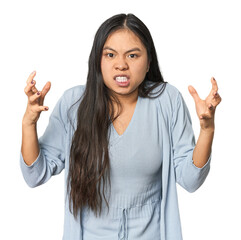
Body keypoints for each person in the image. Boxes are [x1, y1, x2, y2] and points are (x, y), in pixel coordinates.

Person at [20, 13, 221, 240]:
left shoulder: (167, 101)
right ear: (98, 60)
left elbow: (191, 180)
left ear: (148, 63)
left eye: (133, 55)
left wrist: (207, 129)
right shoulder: (74, 104)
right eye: (110, 55)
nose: (121, 65)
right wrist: (29, 123)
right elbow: (35, 175)